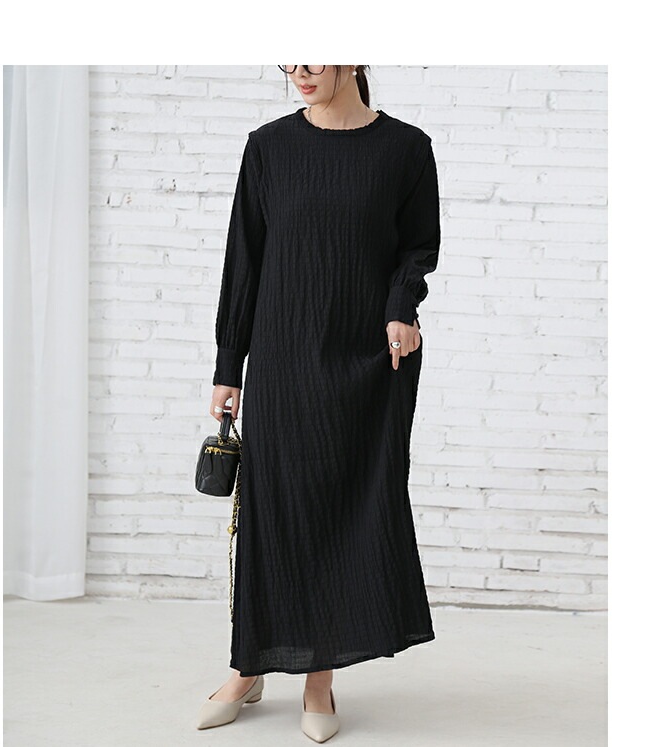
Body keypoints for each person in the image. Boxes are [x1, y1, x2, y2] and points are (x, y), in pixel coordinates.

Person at [196, 65, 441, 743]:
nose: (299, 70)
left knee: (342, 508)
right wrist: (229, 364)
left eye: (313, 54)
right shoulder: (269, 148)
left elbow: (417, 246)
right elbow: (244, 259)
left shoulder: (406, 149)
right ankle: (249, 665)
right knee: (274, 508)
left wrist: (402, 308)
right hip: (283, 356)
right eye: (288, 58)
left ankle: (319, 676)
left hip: (367, 360)